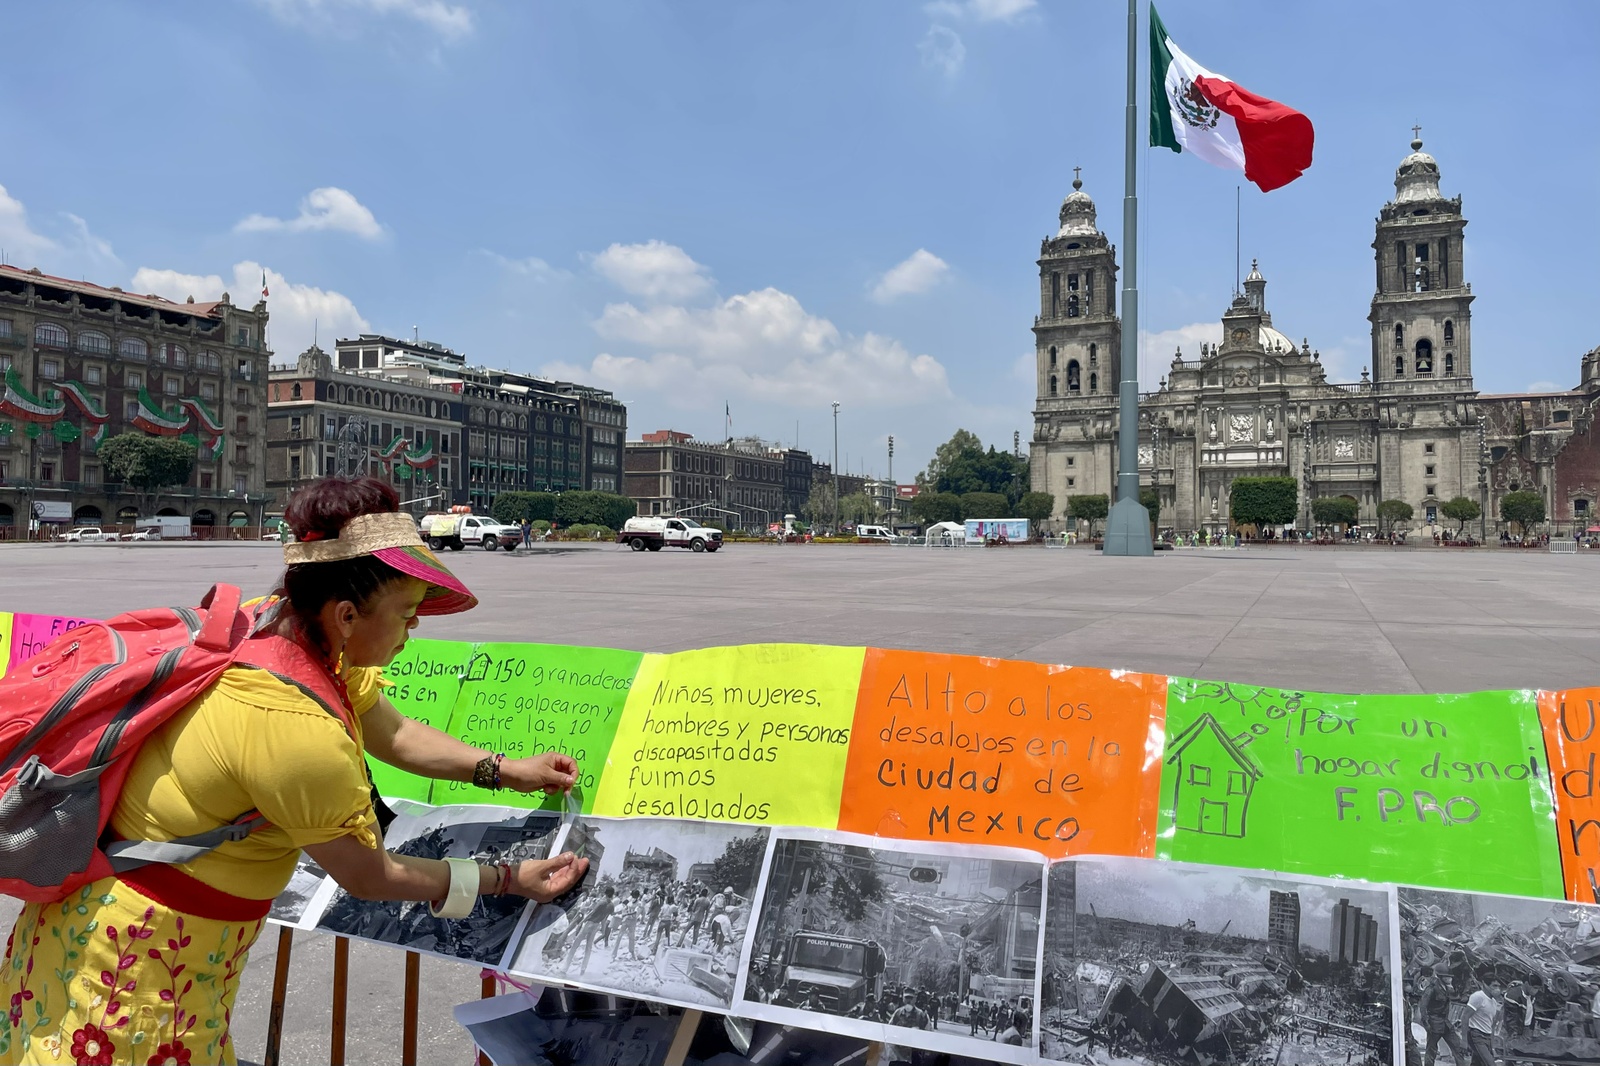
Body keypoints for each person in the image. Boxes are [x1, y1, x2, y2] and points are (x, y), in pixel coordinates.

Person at [0, 477, 589, 1066]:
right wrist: (508, 880)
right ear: (349, 613)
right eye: (407, 614)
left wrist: (505, 770)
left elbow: (395, 732)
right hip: (133, 966)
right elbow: (368, 873)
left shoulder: (277, 625)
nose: (415, 630)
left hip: (109, 933)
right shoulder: (291, 722)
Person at [1418, 966, 1468, 1066]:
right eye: (1447, 977)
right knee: (1431, 1050)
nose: (1450, 979)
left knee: (1457, 1047)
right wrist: (1426, 1023)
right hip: (1434, 1022)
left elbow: (1455, 997)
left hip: (1445, 1022)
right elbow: (1423, 1006)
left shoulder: (1446, 987)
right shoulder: (1431, 988)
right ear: (1441, 977)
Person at [1464, 979, 1501, 1066]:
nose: (1497, 989)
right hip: (1476, 1034)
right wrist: (1464, 1040)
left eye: (1498, 986)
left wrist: (1492, 1047)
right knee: (1490, 1063)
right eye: (1494, 986)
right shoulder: (1478, 997)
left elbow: (1492, 1025)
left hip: (1487, 1036)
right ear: (1485, 985)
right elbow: (1465, 1016)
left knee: (1478, 1063)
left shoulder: (1494, 1002)